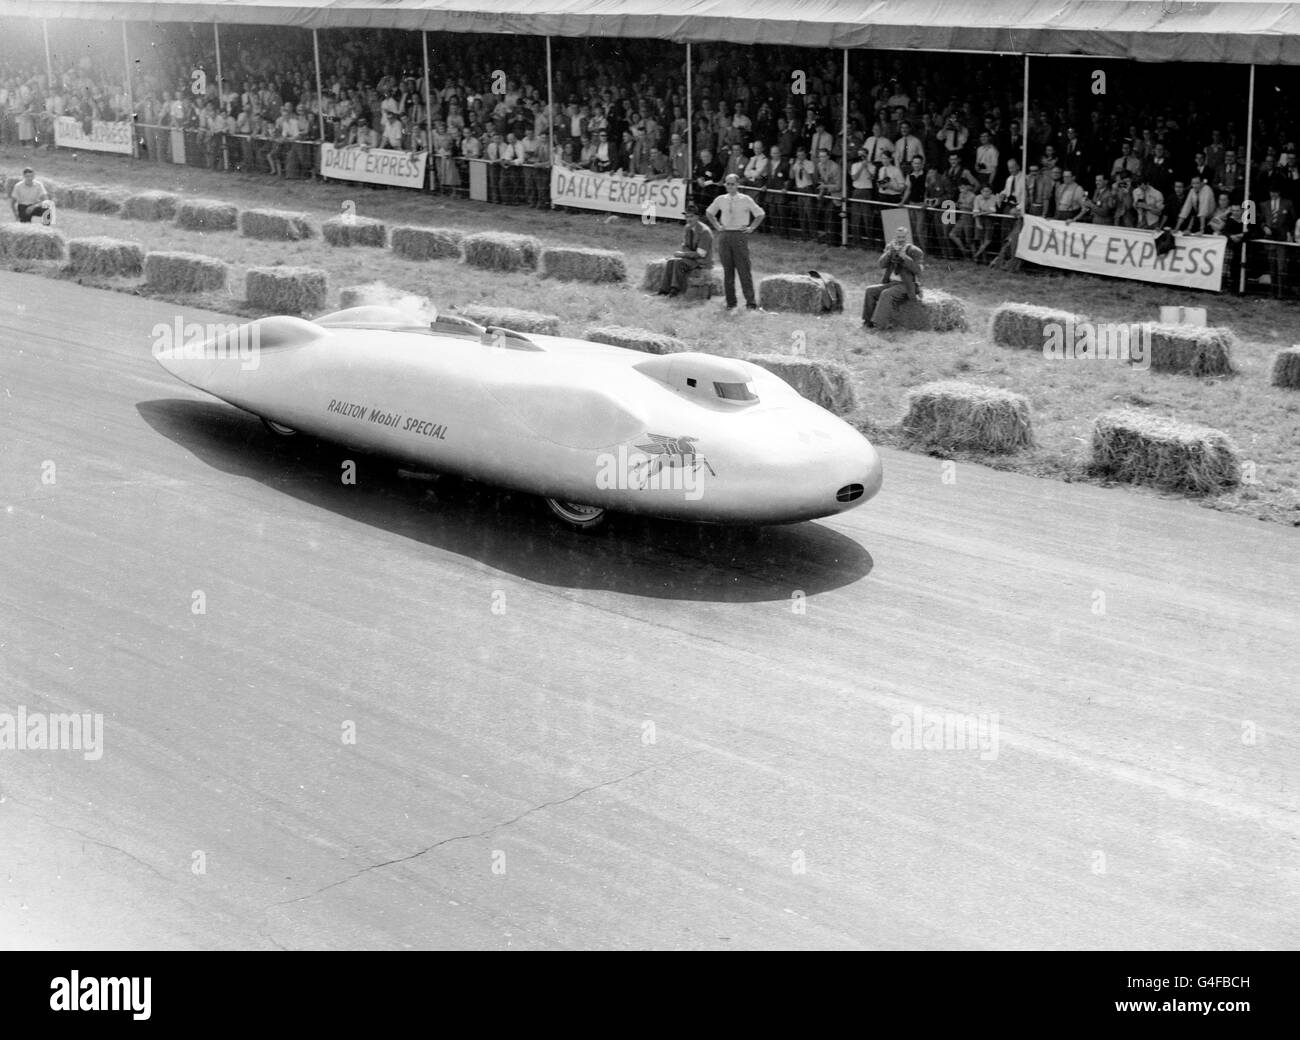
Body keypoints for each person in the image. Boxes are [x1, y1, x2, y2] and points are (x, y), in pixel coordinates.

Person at [705, 173, 765, 310]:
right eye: (727, 183)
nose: (730, 186)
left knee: (744, 270)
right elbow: (709, 213)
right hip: (725, 235)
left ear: (737, 185)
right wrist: (717, 226)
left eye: (732, 184)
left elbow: (760, 214)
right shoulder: (720, 199)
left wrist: (751, 228)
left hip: (739, 235)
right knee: (728, 271)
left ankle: (750, 302)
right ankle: (731, 302)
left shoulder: (745, 199)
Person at [862, 226, 924, 329]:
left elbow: (918, 271)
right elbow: (881, 265)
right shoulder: (890, 248)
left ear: (907, 238)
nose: (901, 240)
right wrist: (889, 253)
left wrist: (904, 257)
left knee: (886, 294)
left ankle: (879, 325)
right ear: (895, 237)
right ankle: (867, 322)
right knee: (870, 290)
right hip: (891, 283)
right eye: (898, 237)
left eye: (903, 237)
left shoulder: (915, 251)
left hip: (907, 285)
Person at [657, 205, 715, 296]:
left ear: (697, 217)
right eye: (687, 217)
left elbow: (701, 254)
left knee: (679, 263)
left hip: (702, 262)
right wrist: (686, 253)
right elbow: (684, 246)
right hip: (691, 258)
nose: (689, 219)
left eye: (691, 216)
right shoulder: (687, 228)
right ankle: (663, 290)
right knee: (671, 262)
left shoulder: (705, 232)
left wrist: (684, 255)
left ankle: (674, 290)